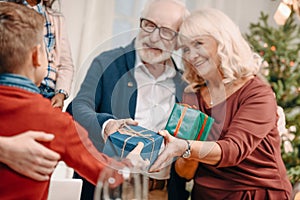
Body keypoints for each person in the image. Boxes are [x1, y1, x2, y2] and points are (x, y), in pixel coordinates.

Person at [0, 2, 145, 199]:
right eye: (46, 50)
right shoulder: (55, 121)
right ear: (36, 56)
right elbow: (109, 176)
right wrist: (131, 163)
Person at [149, 8, 292, 199]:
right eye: (185, 49)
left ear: (222, 42)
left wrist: (185, 147)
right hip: (207, 195)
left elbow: (233, 150)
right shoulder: (192, 95)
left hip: (255, 193)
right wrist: (183, 151)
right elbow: (185, 172)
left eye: (198, 43)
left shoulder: (257, 93)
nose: (191, 56)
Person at [67, 0, 190, 199]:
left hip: (161, 191)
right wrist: (106, 124)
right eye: (149, 24)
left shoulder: (185, 84)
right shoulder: (107, 62)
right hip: (111, 187)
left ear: (179, 40)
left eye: (166, 31)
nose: (154, 37)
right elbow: (77, 107)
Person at [20, 0, 74, 109]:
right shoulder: (8, 12)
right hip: (20, 88)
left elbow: (65, 64)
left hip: (48, 93)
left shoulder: (57, 20)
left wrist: (61, 94)